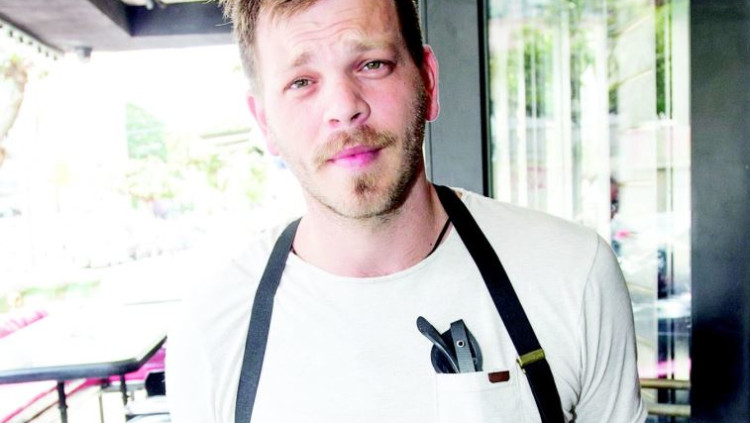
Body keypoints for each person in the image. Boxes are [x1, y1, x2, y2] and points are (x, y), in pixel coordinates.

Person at [166, 0, 647, 422]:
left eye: (372, 64)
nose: (344, 107)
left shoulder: (571, 274)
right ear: (265, 123)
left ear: (428, 82)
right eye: (302, 81)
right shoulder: (212, 329)